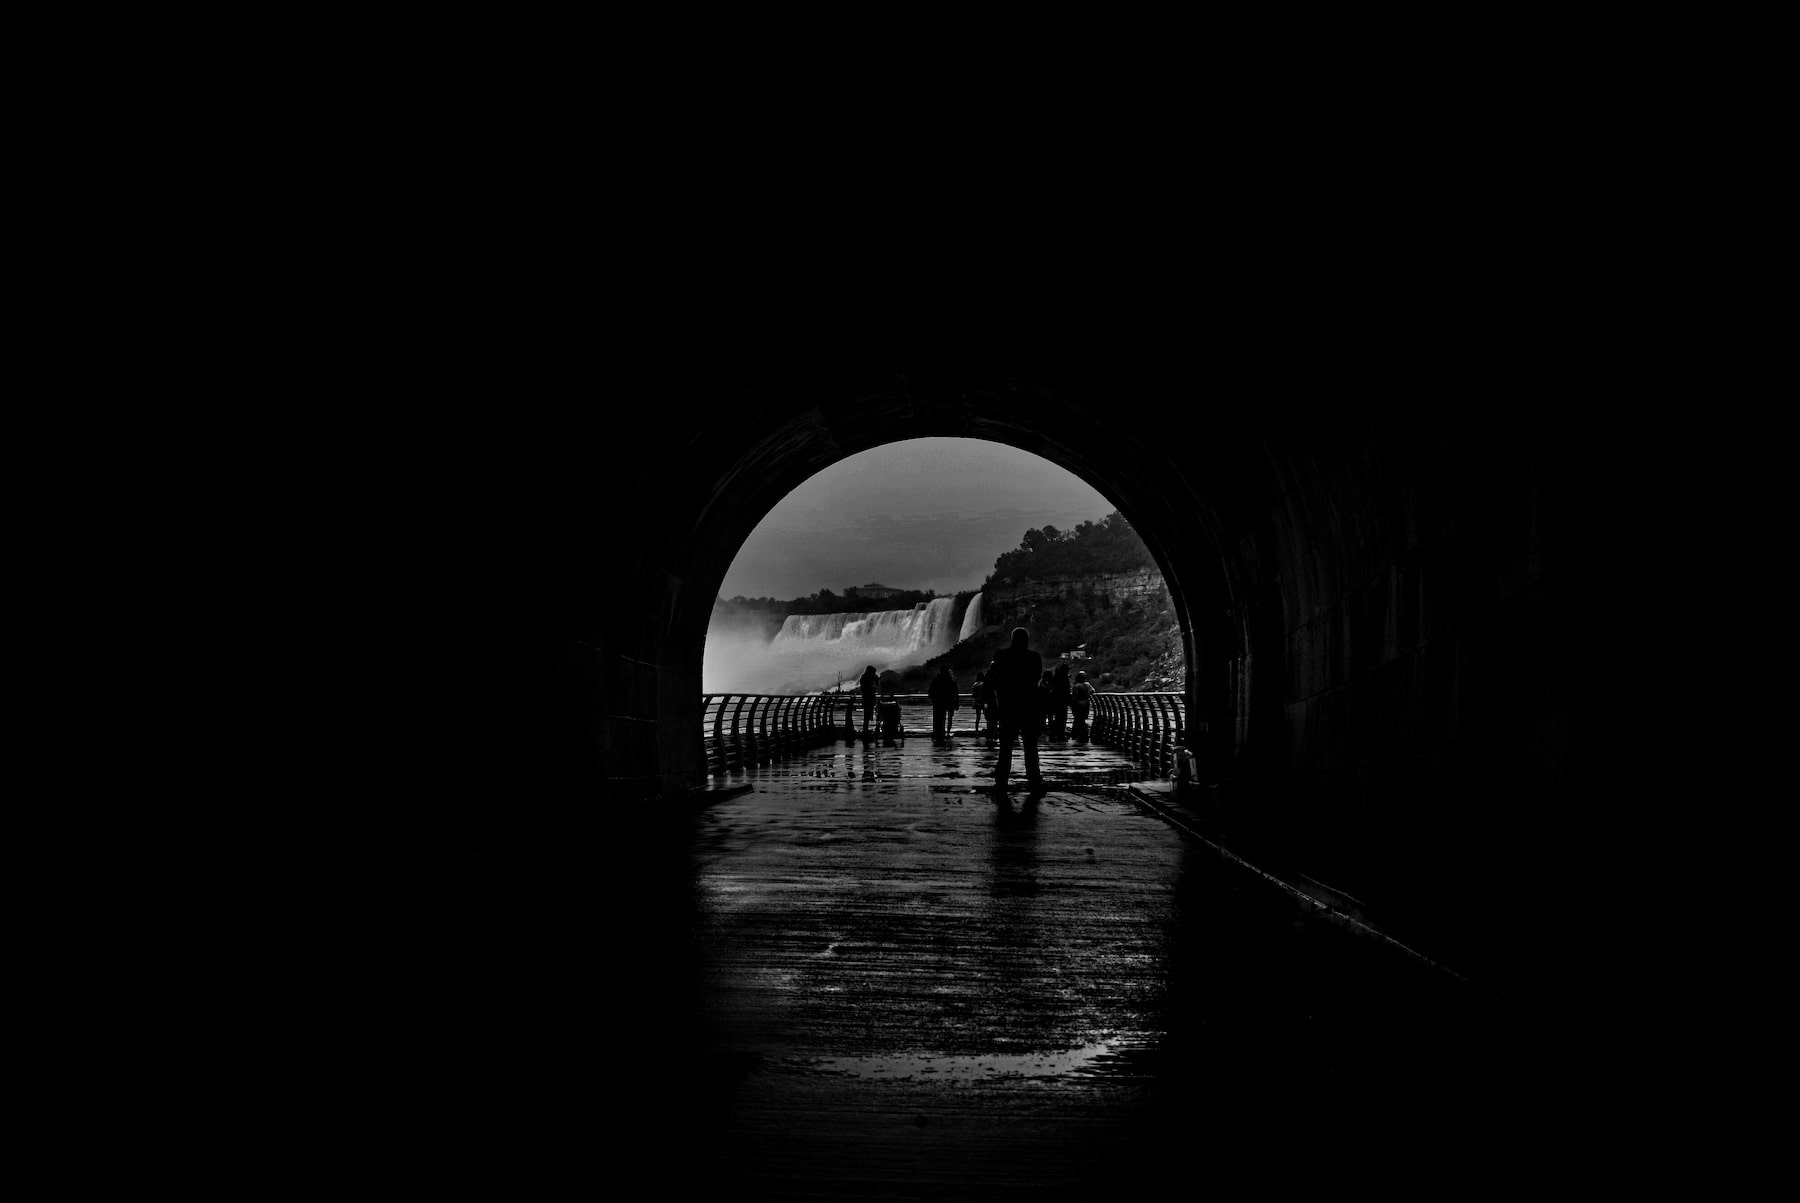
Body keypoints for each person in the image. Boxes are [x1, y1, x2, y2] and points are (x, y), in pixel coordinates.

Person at [986, 627, 1045, 793]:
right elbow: (1036, 678)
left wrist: (994, 705)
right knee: (1031, 748)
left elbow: (994, 680)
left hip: (1007, 707)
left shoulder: (1001, 655)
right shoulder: (1034, 657)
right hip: (1028, 707)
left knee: (1005, 748)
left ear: (1012, 639)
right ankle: (1034, 781)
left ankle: (1001, 781)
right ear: (1027, 639)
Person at [929, 665, 959, 739]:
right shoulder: (950, 681)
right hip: (948, 703)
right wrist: (956, 703)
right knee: (947, 718)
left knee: (938, 720)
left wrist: (934, 700)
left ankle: (938, 734)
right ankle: (945, 733)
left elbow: (930, 692)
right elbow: (955, 693)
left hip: (938, 704)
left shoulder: (936, 680)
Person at [1069, 670, 1094, 742]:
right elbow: (1093, 691)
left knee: (1077, 719)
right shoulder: (1088, 684)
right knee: (1082, 719)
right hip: (1086, 704)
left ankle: (1076, 734)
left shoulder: (1076, 686)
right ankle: (1083, 734)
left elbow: (1074, 696)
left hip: (1078, 704)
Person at [1050, 662, 1072, 740]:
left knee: (1057, 718)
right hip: (1062, 701)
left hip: (1055, 700)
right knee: (1062, 718)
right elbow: (1066, 691)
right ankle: (1060, 734)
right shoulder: (1064, 679)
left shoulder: (1055, 677)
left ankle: (1054, 734)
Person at [858, 665, 879, 733]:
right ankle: (865, 728)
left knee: (867, 714)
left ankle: (865, 727)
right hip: (868, 699)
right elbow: (873, 687)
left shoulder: (864, 678)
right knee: (867, 714)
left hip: (867, 699)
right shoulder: (867, 679)